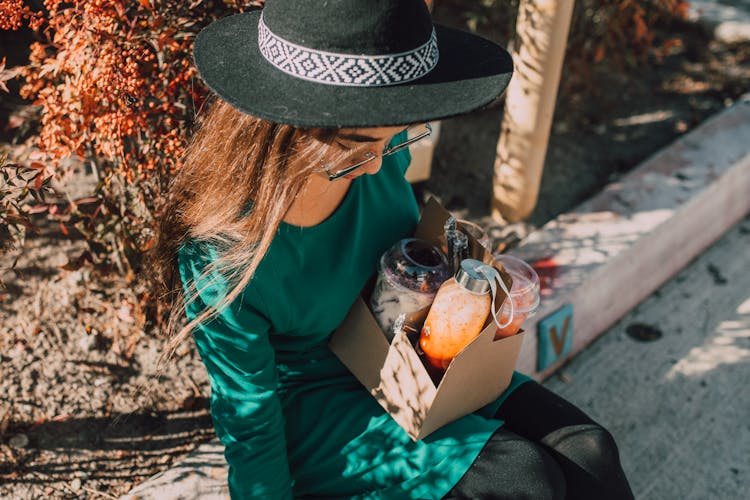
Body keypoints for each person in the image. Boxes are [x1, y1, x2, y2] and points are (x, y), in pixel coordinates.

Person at [151, 0, 635, 498]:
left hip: (412, 356)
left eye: (394, 138)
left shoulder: (377, 148)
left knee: (588, 451)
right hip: (321, 403)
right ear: (288, 129)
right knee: (519, 477)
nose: (379, 164)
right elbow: (248, 418)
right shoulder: (222, 256)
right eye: (359, 146)